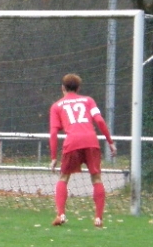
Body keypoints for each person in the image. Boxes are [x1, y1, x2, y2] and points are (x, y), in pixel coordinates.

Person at [49, 73, 117, 227]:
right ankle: (98, 218)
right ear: (78, 88)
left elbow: (53, 132)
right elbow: (99, 120)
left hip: (72, 142)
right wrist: (110, 142)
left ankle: (61, 214)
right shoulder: (88, 101)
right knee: (96, 178)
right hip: (91, 141)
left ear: (62, 88)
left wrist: (53, 157)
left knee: (63, 178)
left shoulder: (57, 106)